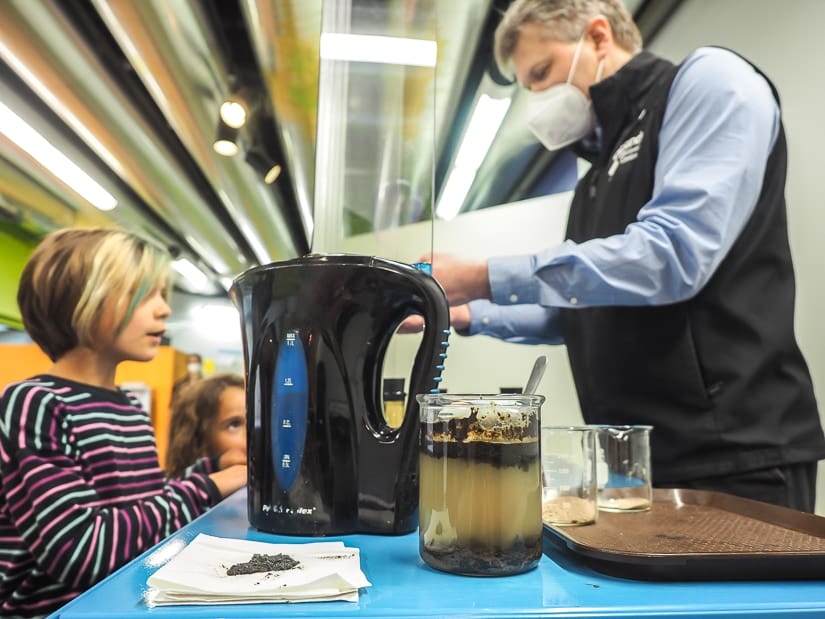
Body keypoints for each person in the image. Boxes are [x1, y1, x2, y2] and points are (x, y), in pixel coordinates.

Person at [417, 0, 825, 511]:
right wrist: (462, 312)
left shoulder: (710, 82)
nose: (538, 99)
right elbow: (582, 310)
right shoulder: (595, 177)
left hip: (733, 455)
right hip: (635, 463)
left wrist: (482, 276)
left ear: (598, 37)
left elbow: (671, 256)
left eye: (542, 74)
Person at [0, 228, 247, 618]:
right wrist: (207, 487)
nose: (164, 309)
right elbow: (84, 551)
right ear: (81, 300)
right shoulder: (37, 403)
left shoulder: (128, 406)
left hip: (121, 602)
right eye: (144, 293)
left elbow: (136, 509)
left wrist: (212, 468)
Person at [165, 373, 247, 479]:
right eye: (234, 424)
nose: (252, 433)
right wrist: (215, 465)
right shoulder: (176, 490)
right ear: (199, 441)